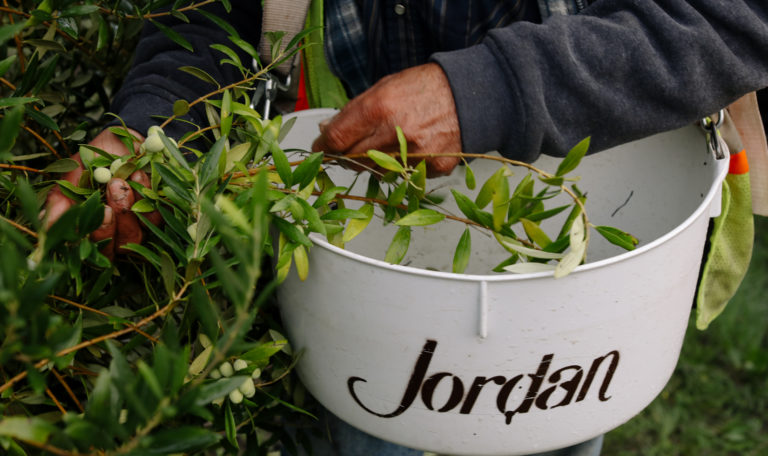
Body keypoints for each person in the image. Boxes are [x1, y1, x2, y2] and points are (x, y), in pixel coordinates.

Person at [45, 0, 768, 453]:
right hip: (359, 261)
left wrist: (488, 92)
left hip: (586, 231)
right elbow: (206, 17)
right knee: (367, 420)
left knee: (545, 420)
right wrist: (153, 132)